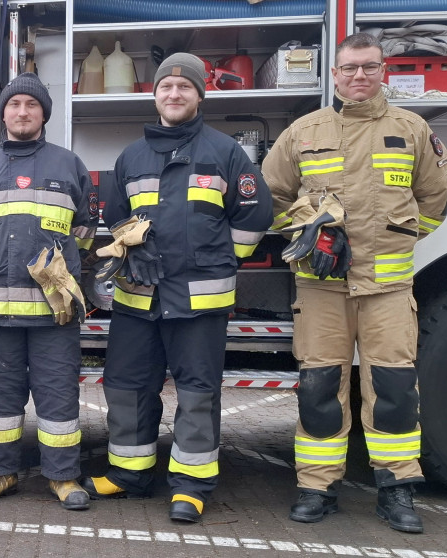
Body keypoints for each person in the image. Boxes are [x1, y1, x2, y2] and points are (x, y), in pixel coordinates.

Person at [262, 32, 447, 533]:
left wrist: (398, 241)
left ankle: (396, 489)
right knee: (319, 388)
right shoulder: (303, 132)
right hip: (322, 289)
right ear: (334, 74)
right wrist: (307, 232)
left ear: (383, 70)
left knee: (393, 390)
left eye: (368, 67)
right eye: (349, 68)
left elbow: (434, 202)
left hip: (388, 291)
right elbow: (271, 197)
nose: (359, 77)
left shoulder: (411, 129)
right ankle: (316, 486)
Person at [85, 53, 273, 522]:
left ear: (199, 95)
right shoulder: (131, 157)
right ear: (155, 97)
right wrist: (133, 245)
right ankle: (129, 473)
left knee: (197, 393)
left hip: (198, 300)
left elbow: (254, 217)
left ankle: (190, 485)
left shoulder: (226, 153)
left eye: (184, 87)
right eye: (166, 87)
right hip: (137, 297)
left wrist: (217, 257)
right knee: (127, 386)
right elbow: (114, 215)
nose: (174, 94)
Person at [0, 72, 98, 510]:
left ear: (43, 115)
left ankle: (63, 477)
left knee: (59, 396)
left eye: (31, 105)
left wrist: (62, 270)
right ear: (2, 113)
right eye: (14, 104)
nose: (22, 112)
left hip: (53, 313)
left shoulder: (68, 165)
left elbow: (85, 232)